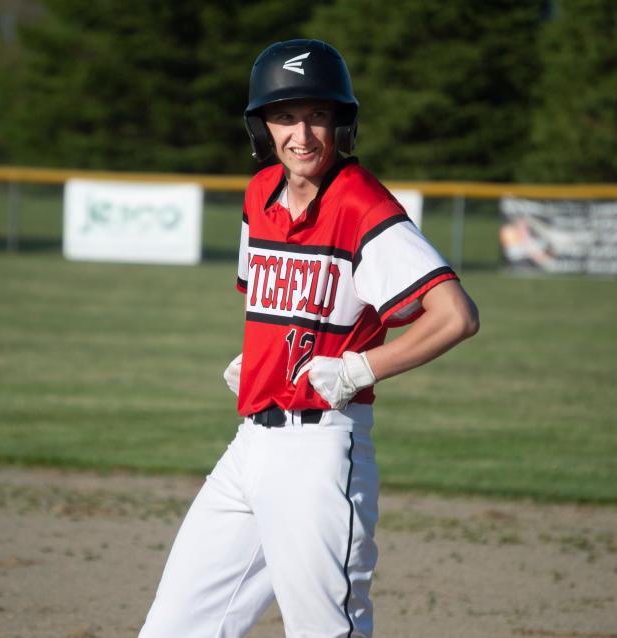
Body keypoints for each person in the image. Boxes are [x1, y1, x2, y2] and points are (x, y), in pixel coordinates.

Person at [139, 39, 479, 638]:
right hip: (249, 446)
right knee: (176, 627)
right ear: (261, 125)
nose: (301, 133)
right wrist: (261, 357)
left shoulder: (361, 205)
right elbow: (281, 305)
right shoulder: (259, 195)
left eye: (318, 115)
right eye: (284, 115)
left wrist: (359, 369)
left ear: (341, 123)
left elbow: (455, 315)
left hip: (320, 452)